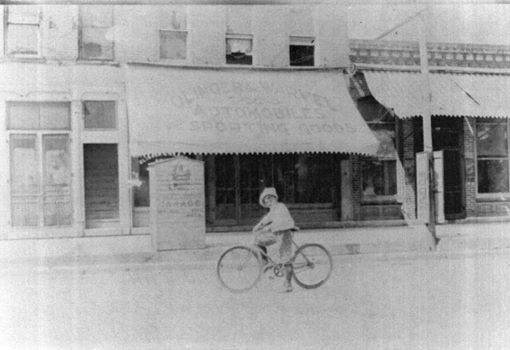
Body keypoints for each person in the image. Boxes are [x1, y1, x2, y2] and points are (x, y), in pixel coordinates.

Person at [252, 187, 295, 293]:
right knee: (256, 243)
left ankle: (288, 284)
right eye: (266, 200)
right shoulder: (272, 210)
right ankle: (266, 264)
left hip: (285, 233)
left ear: (275, 198)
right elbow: (266, 219)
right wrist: (258, 226)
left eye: (271, 198)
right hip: (276, 234)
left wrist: (268, 227)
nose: (269, 201)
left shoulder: (281, 207)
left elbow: (280, 221)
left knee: (285, 259)